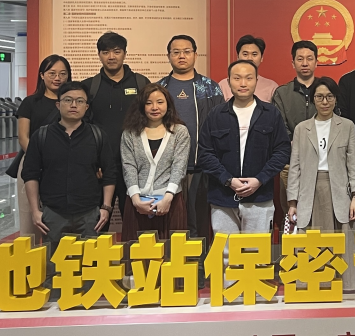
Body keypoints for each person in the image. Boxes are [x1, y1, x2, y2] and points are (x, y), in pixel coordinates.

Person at [22, 81, 119, 277]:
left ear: (86, 106)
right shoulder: (42, 136)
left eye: (79, 101)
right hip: (53, 214)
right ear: (58, 104)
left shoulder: (97, 135)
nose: (74, 105)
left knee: (90, 270)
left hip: (89, 214)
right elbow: (30, 174)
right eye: (68, 100)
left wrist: (106, 207)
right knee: (54, 272)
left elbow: (110, 172)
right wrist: (35, 211)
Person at [199, 60, 290, 236]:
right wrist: (228, 180)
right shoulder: (216, 114)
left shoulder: (271, 114)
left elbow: (282, 151)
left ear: (256, 80)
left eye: (248, 78)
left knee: (257, 251)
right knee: (225, 250)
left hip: (260, 198)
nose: (243, 83)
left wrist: (259, 180)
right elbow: (205, 153)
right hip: (222, 198)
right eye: (237, 78)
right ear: (228, 81)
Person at [157, 35, 224, 253]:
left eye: (187, 51)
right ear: (169, 56)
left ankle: (200, 265)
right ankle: (173, 265)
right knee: (171, 223)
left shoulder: (210, 88)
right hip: (166, 170)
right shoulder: (159, 89)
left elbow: (221, 127)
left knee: (199, 222)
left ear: (195, 54)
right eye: (176, 52)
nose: (182, 56)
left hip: (201, 167)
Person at [82, 32, 150, 228]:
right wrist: (93, 163)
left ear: (125, 53)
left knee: (137, 223)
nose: (111, 57)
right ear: (99, 55)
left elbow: (151, 122)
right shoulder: (89, 86)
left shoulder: (141, 83)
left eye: (116, 51)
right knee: (97, 224)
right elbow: (84, 129)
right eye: (105, 52)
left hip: (135, 166)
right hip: (101, 168)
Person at [119, 83, 190, 242]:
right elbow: (128, 167)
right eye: (148, 103)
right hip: (137, 202)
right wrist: (136, 200)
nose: (154, 107)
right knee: (137, 252)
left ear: (168, 104)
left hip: (170, 202)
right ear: (142, 106)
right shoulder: (130, 133)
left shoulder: (179, 132)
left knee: (171, 252)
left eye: (160, 102)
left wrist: (168, 198)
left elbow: (179, 166)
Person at [287, 77, 355, 231]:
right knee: (311, 240)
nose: (325, 102)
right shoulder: (301, 129)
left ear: (336, 99)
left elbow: (353, 165)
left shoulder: (347, 126)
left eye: (329, 96)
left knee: (341, 240)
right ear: (313, 99)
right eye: (319, 97)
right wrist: (292, 202)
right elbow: (294, 168)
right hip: (309, 190)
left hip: (339, 192)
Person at [13, 54, 72, 237]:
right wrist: (39, 160)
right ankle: (30, 255)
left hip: (64, 166)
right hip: (33, 164)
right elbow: (23, 137)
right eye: (52, 73)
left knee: (60, 222)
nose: (57, 78)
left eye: (62, 74)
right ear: (42, 75)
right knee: (30, 219)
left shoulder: (72, 104)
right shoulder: (30, 102)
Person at [274, 40, 319, 136]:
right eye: (300, 59)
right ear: (293, 64)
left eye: (309, 59)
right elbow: (279, 125)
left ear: (316, 63)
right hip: (292, 143)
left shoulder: (327, 90)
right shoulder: (281, 93)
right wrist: (293, 141)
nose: (305, 63)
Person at [218, 34, 278, 102]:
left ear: (261, 58)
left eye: (254, 54)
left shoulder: (271, 87)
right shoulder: (223, 85)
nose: (249, 58)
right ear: (238, 57)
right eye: (245, 54)